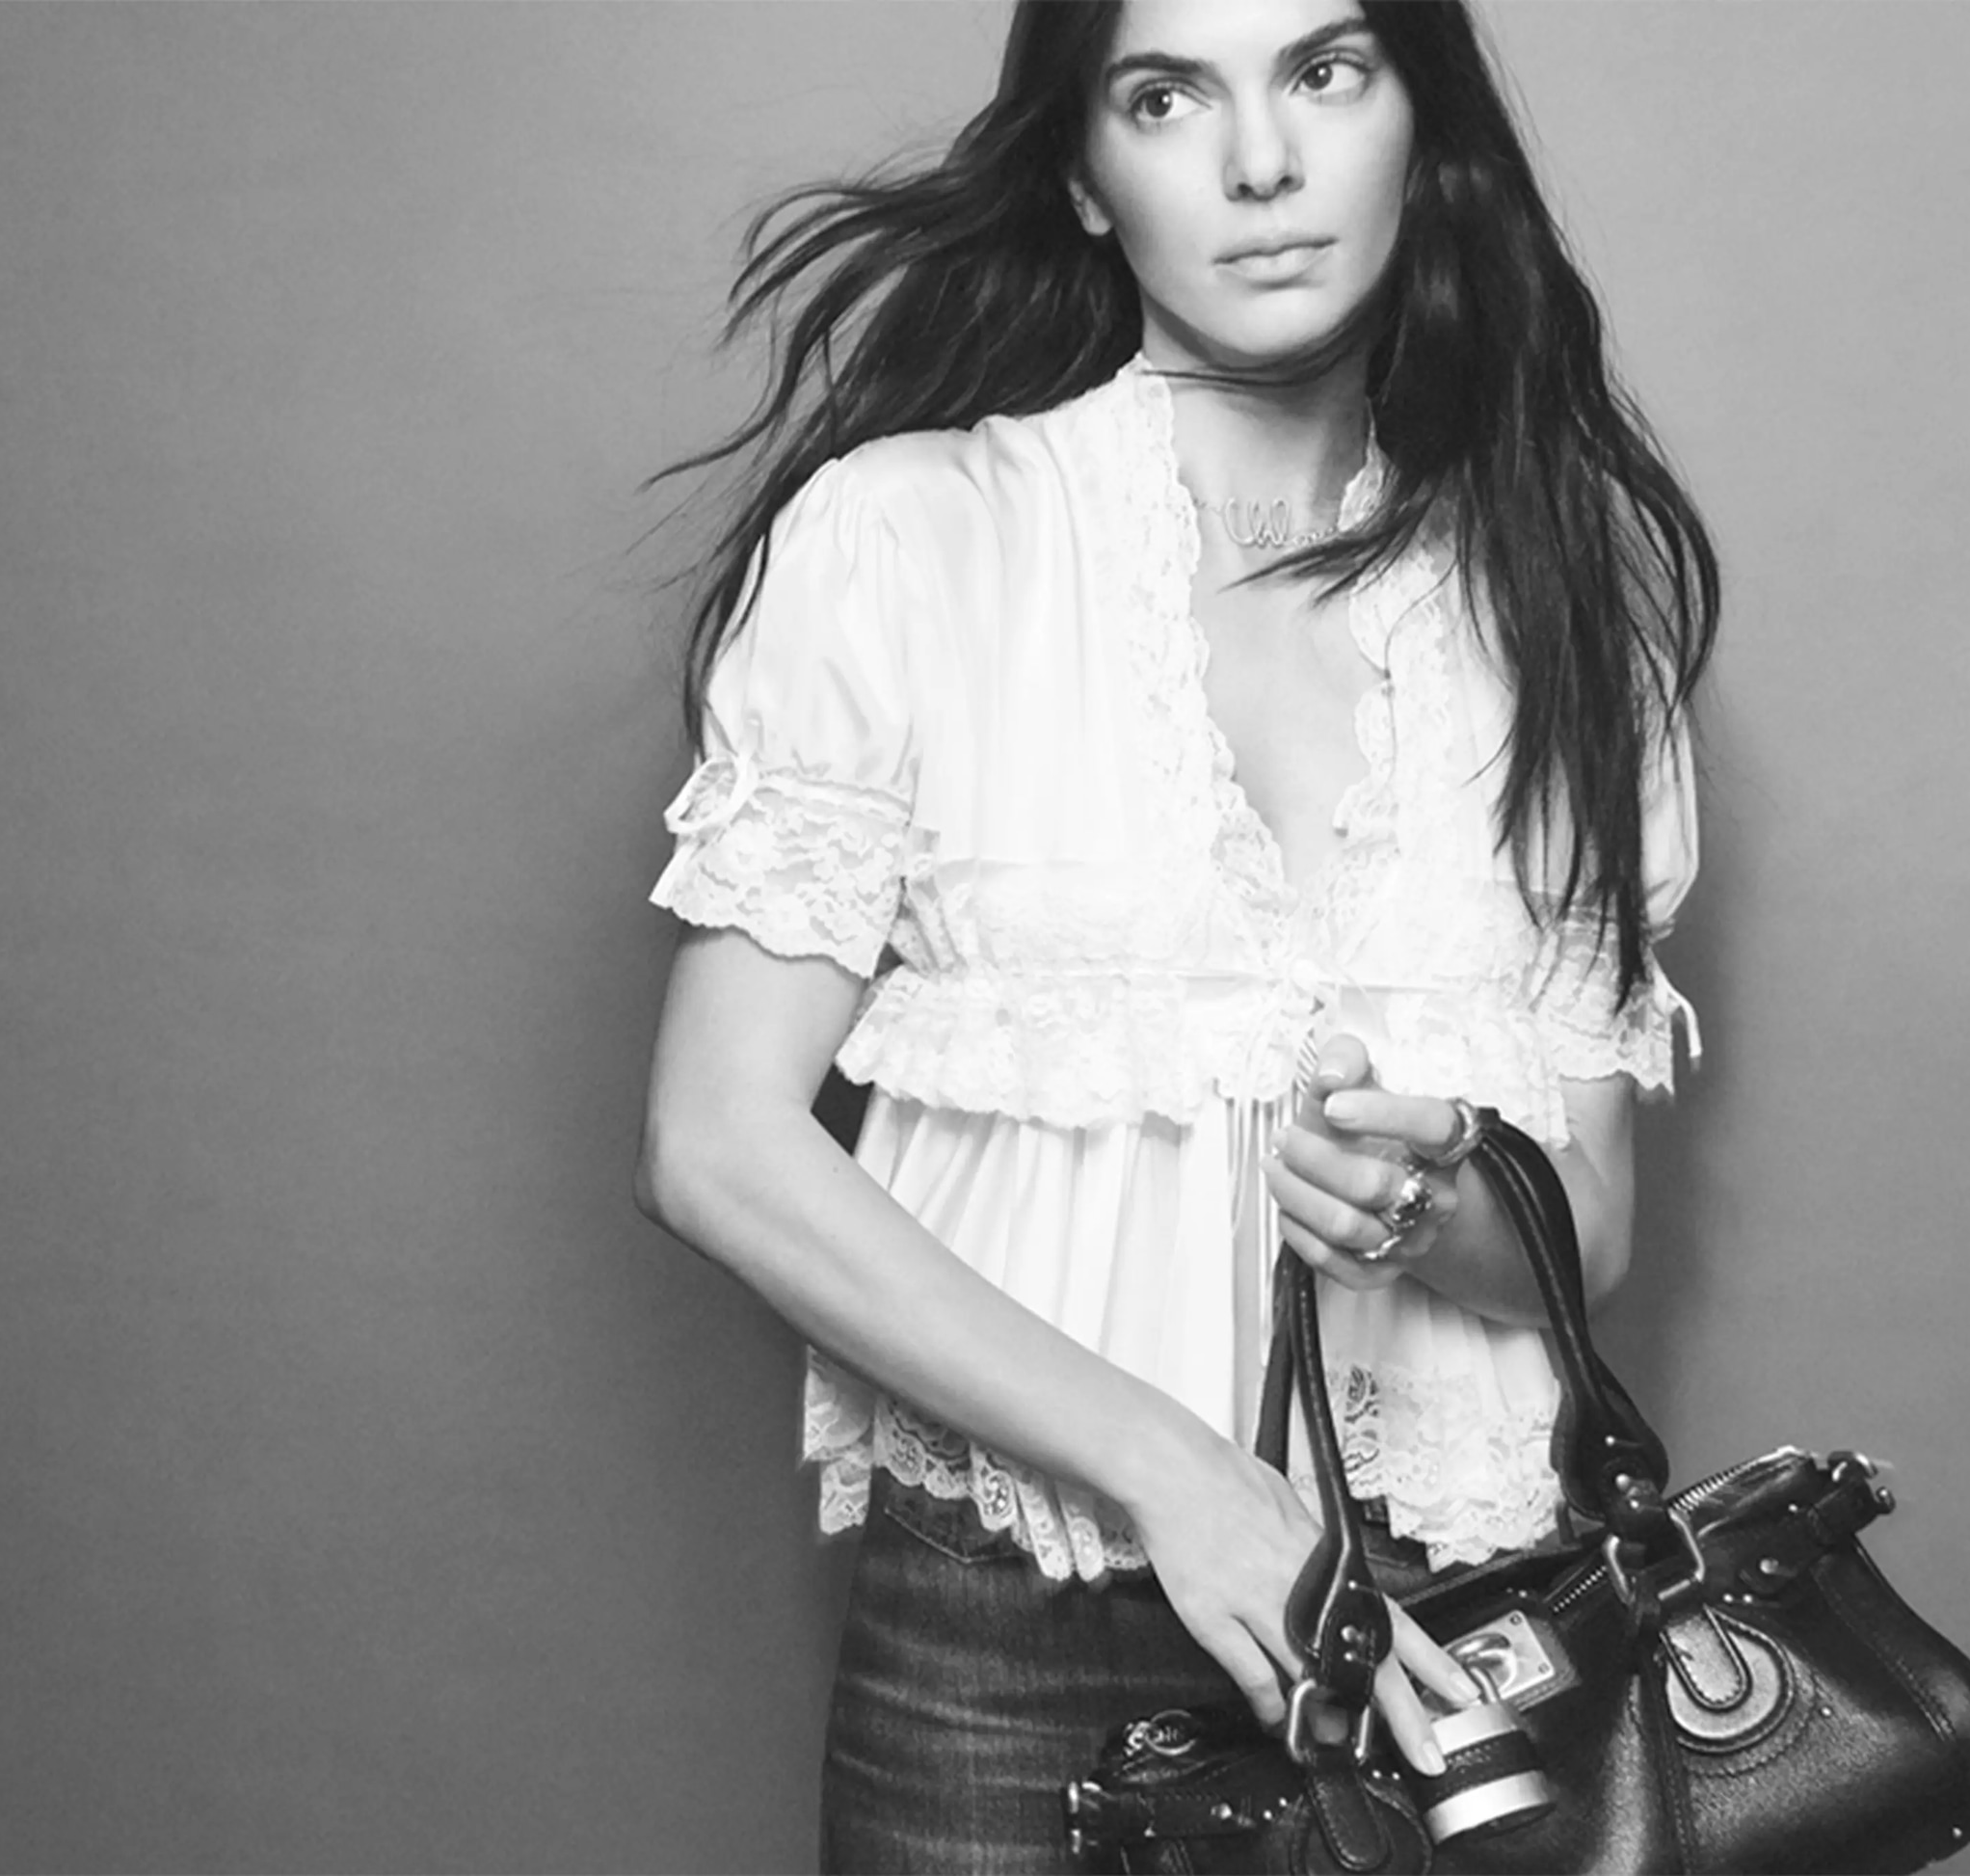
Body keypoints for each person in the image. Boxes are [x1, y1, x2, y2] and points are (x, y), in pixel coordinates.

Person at [630, 1, 1715, 1865]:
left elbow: (1590, 1231)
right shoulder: (915, 539)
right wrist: (1178, 1474)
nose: (1261, 163)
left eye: (1323, 71)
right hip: (1014, 1635)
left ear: (1420, 121)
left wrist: (1428, 1206)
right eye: (1166, 96)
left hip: (1458, 1632)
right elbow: (711, 1141)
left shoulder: (1554, 610)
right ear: (1082, 171)